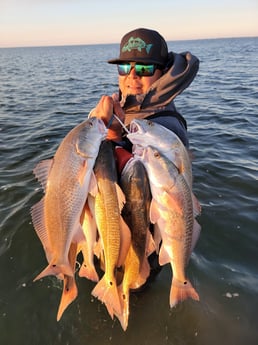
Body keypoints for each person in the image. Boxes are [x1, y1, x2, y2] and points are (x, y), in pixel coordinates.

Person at [90, 27, 199, 286]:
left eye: (144, 69)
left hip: (143, 248)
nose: (132, 77)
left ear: (161, 73)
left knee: (132, 299)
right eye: (124, 68)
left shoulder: (168, 126)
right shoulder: (126, 106)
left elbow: (151, 184)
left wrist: (114, 135)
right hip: (108, 236)